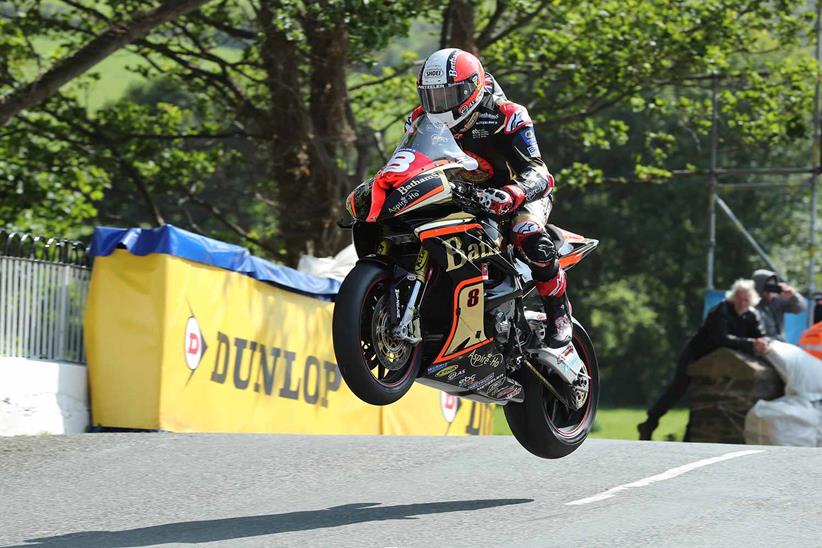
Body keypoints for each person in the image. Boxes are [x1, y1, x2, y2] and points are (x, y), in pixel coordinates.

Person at [410, 48, 569, 347]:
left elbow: (540, 171)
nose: (438, 105)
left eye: (447, 96)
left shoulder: (508, 115)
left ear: (470, 89)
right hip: (459, 195)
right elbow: (407, 160)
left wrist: (513, 194)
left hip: (517, 195)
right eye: (432, 97)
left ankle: (558, 310)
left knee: (527, 232)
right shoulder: (420, 119)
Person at [637, 279, 769, 441]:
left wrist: (761, 343)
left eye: (746, 300)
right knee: (678, 389)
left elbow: (760, 335)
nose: (742, 303)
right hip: (697, 355)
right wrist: (750, 344)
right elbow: (721, 339)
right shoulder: (721, 310)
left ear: (752, 301)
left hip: (724, 363)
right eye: (739, 299)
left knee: (706, 396)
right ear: (733, 298)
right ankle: (650, 422)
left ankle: (690, 436)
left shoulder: (752, 315)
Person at [751, 269, 806, 341]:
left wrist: (793, 295)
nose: (771, 291)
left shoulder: (777, 301)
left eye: (774, 286)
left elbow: (800, 309)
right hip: (762, 344)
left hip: (779, 343)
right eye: (768, 287)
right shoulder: (751, 303)